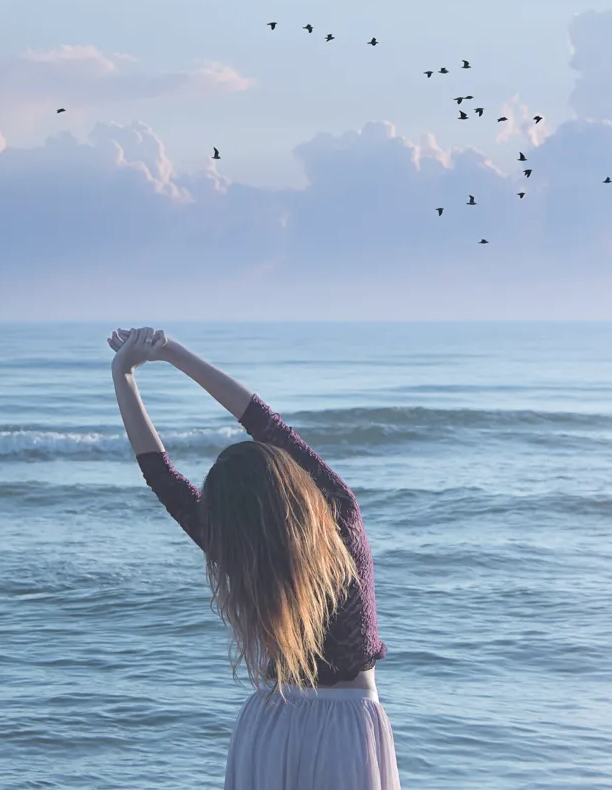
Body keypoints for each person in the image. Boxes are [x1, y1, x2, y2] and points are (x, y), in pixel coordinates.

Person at [107, 326, 400, 790]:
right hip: (347, 734)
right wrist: (173, 353)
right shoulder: (341, 520)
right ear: (290, 483)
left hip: (269, 730)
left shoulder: (235, 548)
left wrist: (122, 375)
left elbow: (160, 476)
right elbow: (265, 422)